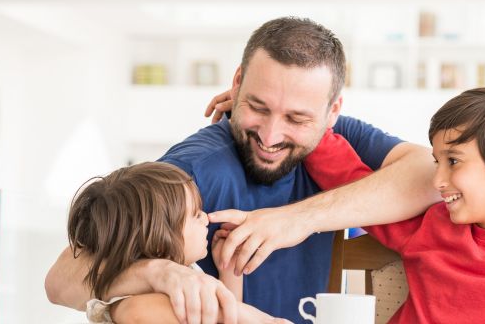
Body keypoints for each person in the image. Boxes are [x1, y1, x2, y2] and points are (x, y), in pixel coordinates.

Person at [45, 17, 440, 323]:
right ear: (237, 84)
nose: (270, 135)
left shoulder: (335, 137)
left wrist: (296, 220)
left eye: (296, 118)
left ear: (331, 112)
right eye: (258, 107)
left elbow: (430, 176)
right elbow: (61, 281)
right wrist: (157, 271)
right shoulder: (194, 170)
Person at [235, 86, 485, 322]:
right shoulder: (432, 226)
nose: (437, 181)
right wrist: (274, 117)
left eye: (454, 161)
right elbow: (351, 181)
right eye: (437, 162)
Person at [66, 162, 286, 323]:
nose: (205, 216)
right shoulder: (139, 298)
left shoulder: (188, 275)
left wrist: (228, 269)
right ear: (159, 241)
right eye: (194, 214)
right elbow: (137, 312)